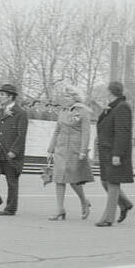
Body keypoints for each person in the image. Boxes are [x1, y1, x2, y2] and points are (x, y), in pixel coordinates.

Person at [45, 84, 94, 221]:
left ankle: (84, 201)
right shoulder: (63, 111)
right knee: (58, 178)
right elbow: (57, 130)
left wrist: (83, 150)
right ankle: (60, 209)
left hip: (75, 150)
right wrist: (51, 147)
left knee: (74, 180)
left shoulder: (83, 111)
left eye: (68, 96)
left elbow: (86, 132)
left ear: (75, 98)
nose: (64, 99)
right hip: (61, 149)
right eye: (64, 96)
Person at [94, 81, 134, 227]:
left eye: (106, 91)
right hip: (105, 151)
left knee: (112, 183)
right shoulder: (112, 107)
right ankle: (125, 204)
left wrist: (117, 154)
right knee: (105, 181)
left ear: (110, 92)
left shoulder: (122, 107)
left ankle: (108, 218)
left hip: (114, 152)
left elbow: (122, 133)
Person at [0, 84, 28, 216]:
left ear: (11, 97)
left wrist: (14, 151)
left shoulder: (21, 113)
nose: (0, 97)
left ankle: (11, 207)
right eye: (0, 94)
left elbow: (22, 134)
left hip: (10, 152)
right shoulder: (0, 111)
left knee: (11, 181)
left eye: (3, 95)